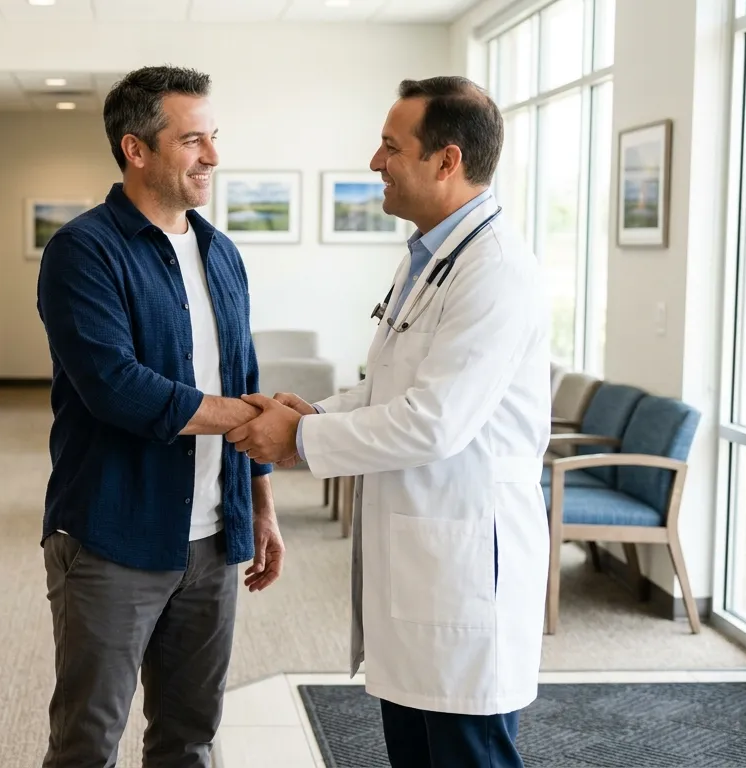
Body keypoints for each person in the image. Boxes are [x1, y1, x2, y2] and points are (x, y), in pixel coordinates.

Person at [226, 76, 549, 767]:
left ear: (447, 160)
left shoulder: (495, 272)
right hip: (420, 564)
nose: (375, 162)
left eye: (389, 146)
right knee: (413, 750)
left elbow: (434, 422)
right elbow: (389, 391)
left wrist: (300, 438)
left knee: (465, 752)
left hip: (463, 570)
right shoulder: (430, 257)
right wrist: (313, 412)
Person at [34, 65, 286, 768]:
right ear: (135, 149)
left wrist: (259, 502)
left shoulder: (221, 253)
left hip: (211, 540)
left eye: (213, 138)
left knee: (191, 737)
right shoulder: (82, 252)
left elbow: (244, 374)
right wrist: (251, 415)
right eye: (193, 140)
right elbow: (116, 388)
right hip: (115, 534)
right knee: (88, 742)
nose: (212, 156)